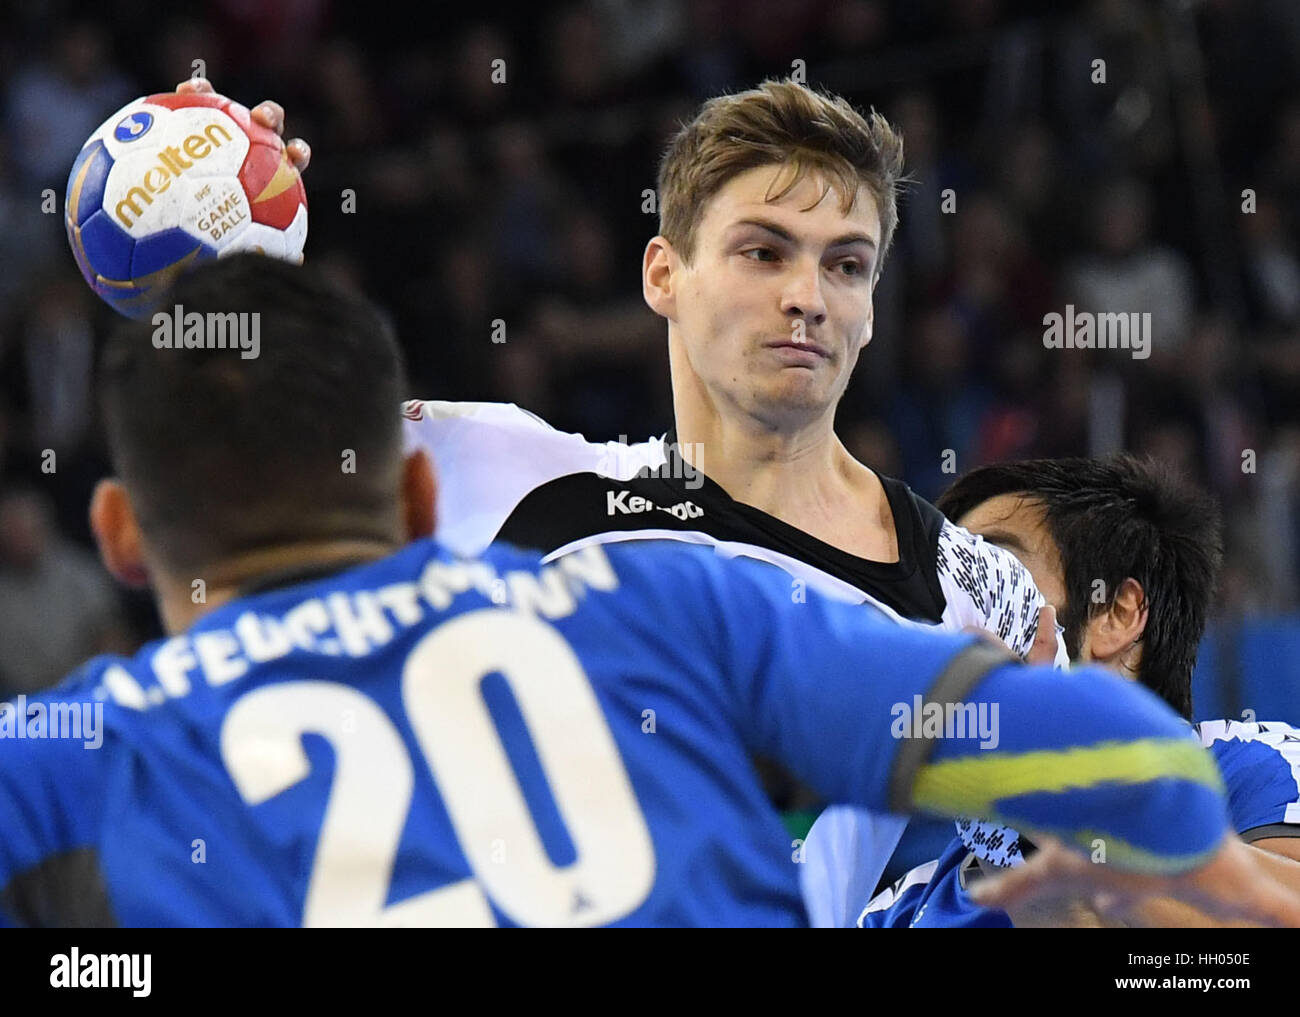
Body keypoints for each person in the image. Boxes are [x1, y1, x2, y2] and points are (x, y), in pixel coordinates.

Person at [3, 256, 1295, 928]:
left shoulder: (97, 738)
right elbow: (1060, 732)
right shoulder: (657, 606)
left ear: (118, 534)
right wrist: (1203, 870)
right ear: (412, 504)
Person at [176, 77, 1065, 914]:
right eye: (764, 251)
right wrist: (219, 222)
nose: (807, 298)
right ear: (663, 275)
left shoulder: (976, 594)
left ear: (872, 306)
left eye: (846, 265)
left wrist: (1018, 818)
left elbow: (1084, 885)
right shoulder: (505, 477)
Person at [857, 455, 1300, 927]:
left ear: (1117, 614)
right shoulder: (902, 909)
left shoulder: (1264, 770)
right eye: (945, 581)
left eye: (992, 568)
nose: (954, 608)